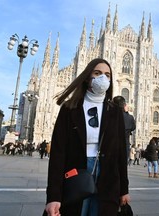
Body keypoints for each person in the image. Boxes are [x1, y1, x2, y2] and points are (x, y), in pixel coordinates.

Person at [43, 58, 130, 216]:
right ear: (87, 77)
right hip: (77, 173)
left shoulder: (114, 111)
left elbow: (121, 153)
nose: (103, 78)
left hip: (107, 176)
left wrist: (124, 189)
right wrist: (53, 196)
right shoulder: (70, 108)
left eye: (107, 75)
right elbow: (58, 154)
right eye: (97, 73)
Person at [113, 96, 136, 160]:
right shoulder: (130, 117)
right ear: (124, 105)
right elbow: (133, 127)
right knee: (122, 166)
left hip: (111, 145)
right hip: (124, 144)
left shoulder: (109, 115)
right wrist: (126, 113)